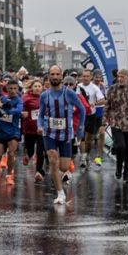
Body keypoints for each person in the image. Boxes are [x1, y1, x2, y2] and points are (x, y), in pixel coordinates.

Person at [37, 66, 85, 205]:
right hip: (49, 132)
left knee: (63, 167)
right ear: (48, 76)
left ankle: (60, 176)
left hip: (66, 134)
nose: (55, 76)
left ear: (61, 76)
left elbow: (81, 110)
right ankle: (60, 193)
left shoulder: (69, 93)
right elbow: (40, 115)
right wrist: (39, 126)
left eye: (57, 74)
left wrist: (80, 128)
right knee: (52, 160)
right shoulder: (44, 95)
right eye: (52, 74)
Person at [0, 80, 23, 185]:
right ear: (7, 88)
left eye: (15, 88)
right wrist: (0, 107)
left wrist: (7, 109)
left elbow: (18, 110)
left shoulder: (19, 100)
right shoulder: (2, 98)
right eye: (10, 88)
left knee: (11, 153)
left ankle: (9, 175)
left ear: (18, 89)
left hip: (13, 131)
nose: (13, 91)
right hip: (1, 130)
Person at [77, 69, 105, 169]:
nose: (85, 78)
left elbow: (103, 100)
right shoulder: (78, 87)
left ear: (91, 77)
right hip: (80, 115)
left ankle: (87, 154)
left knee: (89, 140)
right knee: (82, 137)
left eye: (87, 76)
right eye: (83, 76)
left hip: (91, 115)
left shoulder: (94, 88)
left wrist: (95, 103)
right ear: (81, 77)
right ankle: (83, 157)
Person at [21, 79, 45, 182]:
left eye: (39, 86)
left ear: (42, 87)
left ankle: (38, 171)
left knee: (40, 151)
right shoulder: (26, 98)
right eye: (35, 86)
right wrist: (22, 113)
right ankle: (27, 155)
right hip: (30, 128)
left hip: (41, 129)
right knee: (31, 151)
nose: (37, 88)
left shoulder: (45, 97)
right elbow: (20, 108)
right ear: (32, 87)